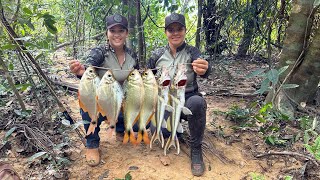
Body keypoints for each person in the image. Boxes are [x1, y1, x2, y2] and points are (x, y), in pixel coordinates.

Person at [69, 14, 139, 166]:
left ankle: (120, 128)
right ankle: (92, 144)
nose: (117, 35)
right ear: (107, 33)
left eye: (121, 31)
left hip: (122, 100)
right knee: (88, 99)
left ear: (127, 33)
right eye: (112, 31)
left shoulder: (132, 55)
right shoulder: (99, 52)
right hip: (102, 101)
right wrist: (81, 72)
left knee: (140, 119)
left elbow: (137, 76)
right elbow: (88, 72)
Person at [147, 13, 211, 176]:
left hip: (188, 98)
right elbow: (147, 76)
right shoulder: (157, 54)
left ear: (184, 30)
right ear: (165, 32)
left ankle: (196, 150)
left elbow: (205, 70)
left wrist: (205, 68)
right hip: (166, 100)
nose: (175, 33)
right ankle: (173, 130)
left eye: (179, 29)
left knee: (197, 103)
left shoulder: (192, 51)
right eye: (171, 29)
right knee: (160, 131)